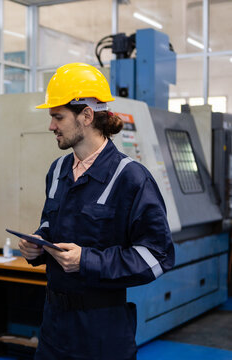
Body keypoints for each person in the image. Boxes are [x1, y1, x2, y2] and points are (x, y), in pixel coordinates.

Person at [19, 62, 175, 360]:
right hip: (53, 327)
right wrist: (37, 245)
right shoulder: (59, 170)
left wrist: (87, 261)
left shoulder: (131, 178)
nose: (51, 126)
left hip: (102, 331)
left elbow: (158, 256)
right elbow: (51, 225)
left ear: (86, 115)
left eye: (57, 117)